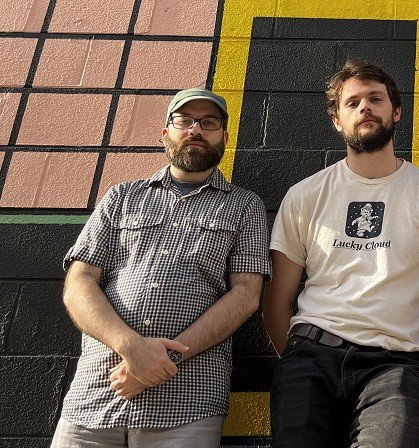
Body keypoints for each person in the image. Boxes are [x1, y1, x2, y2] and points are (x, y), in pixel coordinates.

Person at [263, 59, 419, 448]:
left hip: (394, 364)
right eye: (352, 102)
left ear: (395, 112)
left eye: (375, 99)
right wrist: (293, 359)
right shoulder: (306, 195)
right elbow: (277, 299)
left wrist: (414, 362)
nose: (365, 108)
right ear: (338, 121)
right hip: (309, 356)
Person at [53, 88, 271, 447]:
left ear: (225, 138)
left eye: (209, 123)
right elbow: (79, 280)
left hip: (188, 405)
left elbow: (247, 295)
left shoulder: (245, 206)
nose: (196, 130)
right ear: (165, 133)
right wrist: (130, 347)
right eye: (184, 120)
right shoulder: (121, 196)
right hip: (94, 398)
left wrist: (160, 360)